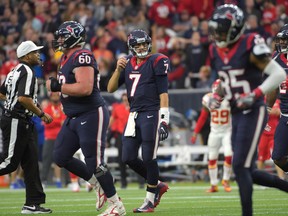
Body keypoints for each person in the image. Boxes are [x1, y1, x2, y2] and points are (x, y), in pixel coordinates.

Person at [208, 4, 288, 216]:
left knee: (241, 168)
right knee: (246, 170)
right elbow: (227, 80)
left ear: (234, 28)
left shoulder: (250, 43)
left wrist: (255, 94)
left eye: (222, 29)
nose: (218, 34)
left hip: (254, 109)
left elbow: (278, 75)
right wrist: (216, 96)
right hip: (237, 111)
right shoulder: (215, 49)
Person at [46, 21, 126, 216]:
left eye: (64, 36)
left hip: (91, 113)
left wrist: (58, 87)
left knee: (95, 162)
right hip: (74, 116)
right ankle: (97, 185)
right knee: (60, 156)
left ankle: (116, 204)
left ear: (74, 37)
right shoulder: (66, 57)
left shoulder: (82, 56)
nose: (60, 40)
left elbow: (84, 88)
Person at [107, 29, 169, 213]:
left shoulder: (157, 60)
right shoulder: (126, 63)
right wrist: (118, 69)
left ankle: (150, 199)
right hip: (134, 114)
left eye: (144, 44)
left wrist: (164, 119)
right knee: (128, 157)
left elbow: (164, 93)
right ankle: (156, 184)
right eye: (138, 45)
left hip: (152, 112)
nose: (141, 47)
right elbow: (110, 88)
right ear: (131, 47)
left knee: (149, 156)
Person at [0, 40, 53, 214]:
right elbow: (23, 98)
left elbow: (2, 93)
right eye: (35, 52)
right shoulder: (27, 71)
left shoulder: (13, 71)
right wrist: (41, 113)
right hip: (17, 119)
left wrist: (10, 103)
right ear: (26, 56)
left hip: (22, 120)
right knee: (9, 163)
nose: (38, 54)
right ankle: (33, 202)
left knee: (31, 163)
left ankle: (33, 203)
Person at [191, 79, 233, 193]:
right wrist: (195, 132)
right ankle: (214, 184)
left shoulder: (230, 99)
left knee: (229, 154)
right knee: (212, 157)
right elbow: (203, 116)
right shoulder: (207, 99)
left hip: (227, 131)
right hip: (214, 132)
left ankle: (226, 180)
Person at [109, 92, 145, 189]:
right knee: (121, 160)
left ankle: (141, 180)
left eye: (126, 99)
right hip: (121, 135)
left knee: (134, 158)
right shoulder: (118, 108)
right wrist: (107, 129)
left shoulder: (134, 108)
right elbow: (112, 119)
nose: (125, 101)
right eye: (124, 99)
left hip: (132, 133)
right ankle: (123, 182)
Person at [271, 26, 288, 174]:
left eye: (285, 39)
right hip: (285, 115)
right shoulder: (276, 59)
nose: (282, 42)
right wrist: (267, 109)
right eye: (281, 39)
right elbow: (271, 88)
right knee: (278, 157)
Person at [41, 92, 66, 188]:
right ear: (50, 97)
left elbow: (65, 120)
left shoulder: (62, 107)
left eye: (57, 95)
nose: (55, 97)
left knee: (60, 160)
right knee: (46, 159)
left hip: (60, 137)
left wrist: (53, 121)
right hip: (49, 137)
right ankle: (43, 180)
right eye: (54, 95)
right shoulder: (47, 108)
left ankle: (61, 181)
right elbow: (47, 122)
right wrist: (58, 122)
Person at [257, 98, 284, 179]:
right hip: (263, 134)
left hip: (274, 134)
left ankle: (281, 179)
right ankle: (261, 180)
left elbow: (280, 112)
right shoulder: (260, 100)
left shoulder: (278, 101)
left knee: (277, 157)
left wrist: (270, 111)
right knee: (261, 158)